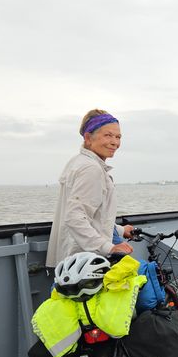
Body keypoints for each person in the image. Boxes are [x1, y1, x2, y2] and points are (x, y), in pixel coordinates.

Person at [46, 109, 134, 268]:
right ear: (88, 137)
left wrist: (119, 230)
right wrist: (110, 247)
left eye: (118, 137)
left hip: (73, 261)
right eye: (108, 135)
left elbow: (94, 216)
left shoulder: (77, 162)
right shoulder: (91, 169)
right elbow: (74, 217)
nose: (115, 142)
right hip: (85, 262)